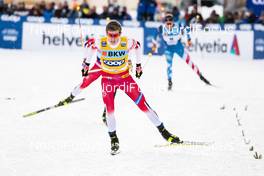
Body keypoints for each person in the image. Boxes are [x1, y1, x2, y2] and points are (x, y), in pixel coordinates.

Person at [77, 20, 181, 155]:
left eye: (115, 35)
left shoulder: (126, 42)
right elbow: (88, 45)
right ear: (106, 34)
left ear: (120, 34)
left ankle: (164, 132)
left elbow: (137, 46)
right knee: (109, 111)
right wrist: (86, 63)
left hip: (125, 78)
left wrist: (138, 65)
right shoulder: (101, 42)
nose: (113, 39)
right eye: (110, 35)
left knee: (143, 105)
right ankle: (114, 140)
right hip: (107, 80)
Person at [152, 13, 211, 90]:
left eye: (170, 21)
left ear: (173, 22)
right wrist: (154, 44)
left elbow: (187, 29)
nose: (169, 24)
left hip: (178, 48)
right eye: (167, 22)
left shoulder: (178, 26)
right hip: (168, 49)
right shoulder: (161, 28)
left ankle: (200, 76)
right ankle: (169, 82)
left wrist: (189, 39)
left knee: (190, 62)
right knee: (169, 65)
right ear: (165, 22)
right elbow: (154, 35)